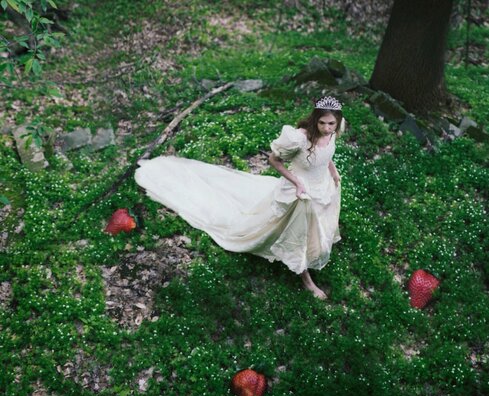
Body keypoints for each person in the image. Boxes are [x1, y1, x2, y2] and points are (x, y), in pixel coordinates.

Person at [134, 96, 344, 299]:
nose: (326, 128)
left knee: (317, 223)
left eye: (331, 123)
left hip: (321, 186)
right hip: (301, 190)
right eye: (322, 123)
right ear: (315, 119)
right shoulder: (299, 138)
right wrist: (297, 182)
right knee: (298, 234)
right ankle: (306, 279)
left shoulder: (333, 131)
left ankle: (316, 248)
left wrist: (332, 172)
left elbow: (326, 155)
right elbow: (274, 160)